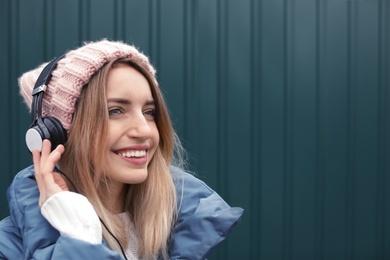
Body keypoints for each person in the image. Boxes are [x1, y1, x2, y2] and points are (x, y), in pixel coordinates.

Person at [0, 39, 243, 259]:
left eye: (149, 112)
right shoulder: (7, 247)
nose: (145, 130)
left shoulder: (179, 224)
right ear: (56, 133)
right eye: (115, 111)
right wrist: (79, 237)